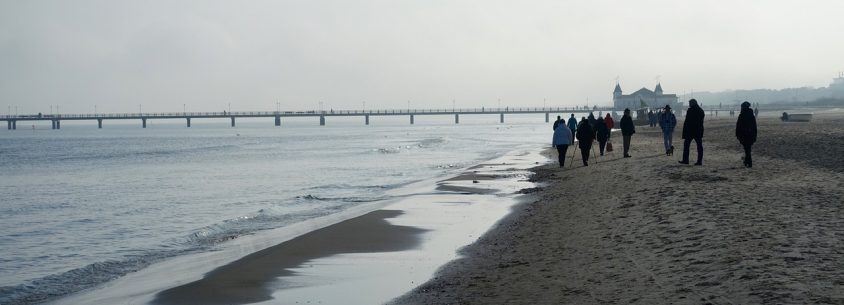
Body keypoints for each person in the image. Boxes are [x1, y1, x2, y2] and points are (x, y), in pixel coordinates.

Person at [680, 99, 705, 165]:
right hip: (698, 131)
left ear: (693, 103)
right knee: (699, 146)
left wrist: (685, 132)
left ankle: (686, 160)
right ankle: (699, 161)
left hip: (690, 131)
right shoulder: (700, 110)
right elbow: (700, 121)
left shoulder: (690, 110)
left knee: (687, 145)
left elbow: (687, 122)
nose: (689, 104)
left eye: (690, 103)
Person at [736, 101, 757, 168]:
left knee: (747, 149)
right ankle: (746, 161)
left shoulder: (741, 115)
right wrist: (755, 135)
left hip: (744, 135)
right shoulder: (752, 115)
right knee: (748, 149)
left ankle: (748, 162)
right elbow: (754, 126)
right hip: (751, 135)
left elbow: (738, 126)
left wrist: (737, 135)